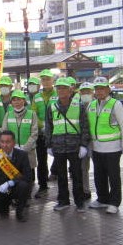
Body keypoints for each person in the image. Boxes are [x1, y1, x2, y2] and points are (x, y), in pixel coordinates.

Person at [45, 78, 89, 213]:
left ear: (70, 90)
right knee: (61, 177)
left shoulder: (79, 106)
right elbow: (48, 127)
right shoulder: (51, 107)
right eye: (59, 88)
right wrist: (49, 145)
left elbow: (84, 126)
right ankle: (63, 201)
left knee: (77, 176)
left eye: (64, 88)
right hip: (58, 147)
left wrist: (83, 145)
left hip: (75, 147)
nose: (61, 91)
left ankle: (79, 202)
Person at [86, 77, 123, 214]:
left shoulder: (115, 104)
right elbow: (87, 126)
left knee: (113, 176)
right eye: (97, 88)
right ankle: (102, 199)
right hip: (96, 147)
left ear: (108, 89)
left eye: (102, 88)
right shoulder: (91, 105)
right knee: (99, 175)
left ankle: (114, 202)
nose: (99, 91)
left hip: (113, 147)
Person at [0, 130, 32, 222]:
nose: (5, 145)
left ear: (14, 143)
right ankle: (4, 205)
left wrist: (11, 182)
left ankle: (19, 211)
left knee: (24, 185)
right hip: (2, 190)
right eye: (2, 142)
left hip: (16, 188)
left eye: (8, 142)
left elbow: (28, 176)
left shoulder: (22, 155)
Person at [2, 90, 38, 189]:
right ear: (11, 102)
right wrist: (11, 148)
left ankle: (27, 195)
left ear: (24, 101)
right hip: (12, 152)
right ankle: (16, 196)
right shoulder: (8, 114)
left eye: (19, 99)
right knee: (14, 175)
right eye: (14, 100)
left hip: (28, 151)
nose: (17, 102)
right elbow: (4, 132)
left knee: (28, 175)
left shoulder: (32, 114)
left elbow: (34, 134)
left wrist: (25, 148)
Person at [33, 69, 58, 197]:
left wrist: (51, 127)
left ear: (52, 80)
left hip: (57, 132)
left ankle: (62, 189)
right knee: (41, 161)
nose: (45, 81)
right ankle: (42, 186)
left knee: (60, 160)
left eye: (48, 79)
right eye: (43, 79)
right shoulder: (37, 96)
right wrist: (42, 126)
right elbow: (33, 114)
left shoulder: (58, 94)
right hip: (41, 134)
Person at [78, 82, 95, 199]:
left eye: (88, 91)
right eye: (83, 92)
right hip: (83, 142)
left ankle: (102, 193)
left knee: (99, 168)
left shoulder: (97, 104)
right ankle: (85, 190)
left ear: (92, 93)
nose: (85, 94)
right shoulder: (77, 106)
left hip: (96, 141)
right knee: (83, 167)